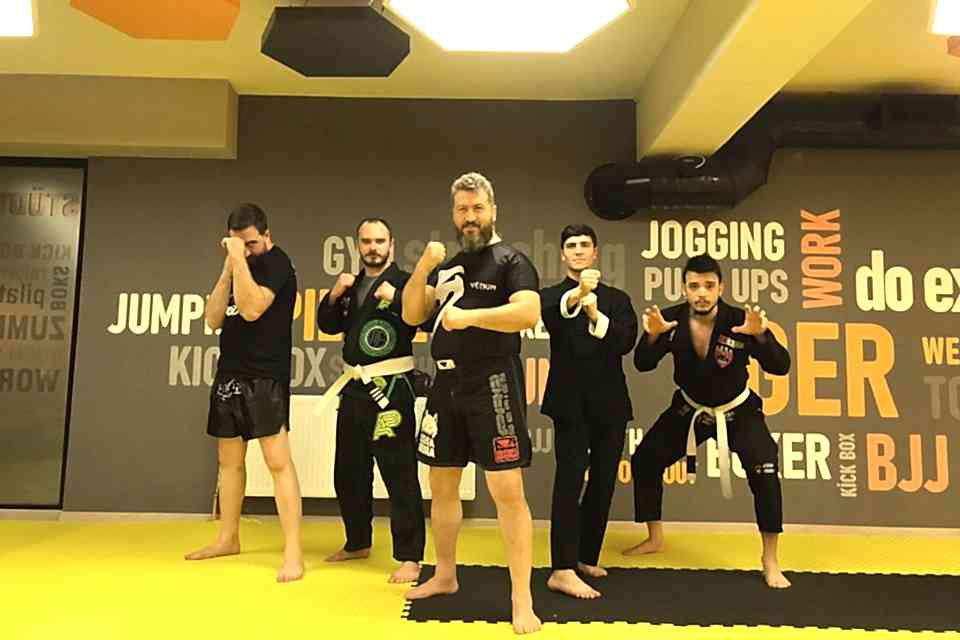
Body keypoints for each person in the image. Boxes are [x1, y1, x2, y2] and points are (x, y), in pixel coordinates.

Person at [401, 172, 542, 634]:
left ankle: (521, 599)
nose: (470, 217)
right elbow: (412, 314)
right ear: (453, 214)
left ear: (493, 210)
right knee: (441, 485)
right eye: (462, 210)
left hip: (493, 383)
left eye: (478, 208)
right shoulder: (446, 267)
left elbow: (528, 312)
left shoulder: (511, 261)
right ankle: (444, 575)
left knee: (507, 491)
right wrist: (423, 267)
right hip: (446, 386)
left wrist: (469, 318)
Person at [623, 253, 791, 588]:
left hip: (738, 410)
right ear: (684, 288)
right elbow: (642, 364)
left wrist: (761, 336)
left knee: (766, 471)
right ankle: (655, 537)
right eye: (694, 286)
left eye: (709, 286)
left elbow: (780, 366)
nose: (701, 292)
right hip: (691, 409)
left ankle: (770, 559)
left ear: (720, 288)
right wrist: (652, 337)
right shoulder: (669, 320)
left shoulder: (741, 320)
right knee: (645, 460)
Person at [185, 203, 304, 583]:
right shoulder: (236, 265)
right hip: (230, 374)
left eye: (251, 243)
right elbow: (213, 318)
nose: (246, 249)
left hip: (265, 377)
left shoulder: (277, 263)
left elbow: (252, 309)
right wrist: (228, 268)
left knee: (278, 461)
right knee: (229, 461)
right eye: (238, 243)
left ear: (267, 236)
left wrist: (239, 260)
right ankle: (228, 537)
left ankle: (293, 552)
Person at [316, 217, 425, 583]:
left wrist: (397, 298)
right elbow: (328, 324)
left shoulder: (405, 282)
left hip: (390, 390)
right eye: (366, 241)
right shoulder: (352, 284)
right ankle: (357, 541)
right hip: (354, 387)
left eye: (379, 241)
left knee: (399, 472)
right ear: (358, 245)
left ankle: (410, 556)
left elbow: (423, 320)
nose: (373, 247)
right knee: (348, 469)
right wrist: (334, 294)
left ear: (392, 245)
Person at [539, 224, 637, 599]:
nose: (578, 250)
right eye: (571, 245)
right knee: (569, 481)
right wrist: (579, 296)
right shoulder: (551, 297)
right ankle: (562, 568)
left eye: (584, 245)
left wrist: (596, 314)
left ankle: (584, 557)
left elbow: (625, 341)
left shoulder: (617, 299)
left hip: (610, 403)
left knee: (603, 480)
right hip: (569, 404)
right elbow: (555, 319)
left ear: (595, 252)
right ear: (563, 254)